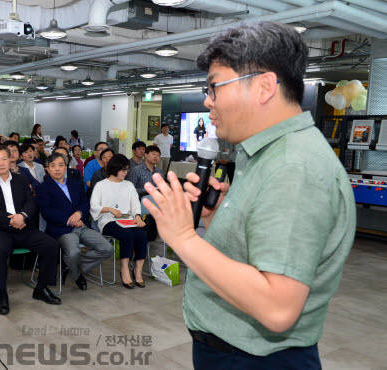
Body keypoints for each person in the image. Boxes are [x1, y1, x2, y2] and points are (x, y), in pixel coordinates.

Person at [142, 22, 356, 368]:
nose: (208, 101)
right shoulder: (265, 154)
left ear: (264, 87)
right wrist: (222, 219)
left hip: (256, 359)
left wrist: (183, 237)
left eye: (214, 87)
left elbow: (278, 308)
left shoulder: (293, 167)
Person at [0, 145, 61, 315]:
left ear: (10, 160)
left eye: (4, 159)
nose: (1, 163)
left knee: (51, 245)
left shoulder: (21, 180)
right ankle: (2, 293)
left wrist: (22, 216)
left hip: (23, 227)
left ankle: (41, 288)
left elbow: (31, 203)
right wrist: (12, 220)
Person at [37, 152, 113, 291]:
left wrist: (79, 213)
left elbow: (84, 203)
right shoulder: (43, 188)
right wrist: (69, 220)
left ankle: (71, 265)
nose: (57, 169)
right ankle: (77, 274)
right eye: (53, 166)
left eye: (61, 165)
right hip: (61, 229)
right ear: (47, 168)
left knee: (107, 248)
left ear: (66, 167)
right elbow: (47, 212)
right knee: (73, 253)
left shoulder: (75, 184)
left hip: (82, 225)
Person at [90, 154, 147, 289]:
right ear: (114, 169)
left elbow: (135, 204)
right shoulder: (101, 185)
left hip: (128, 220)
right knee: (127, 235)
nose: (125, 173)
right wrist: (109, 209)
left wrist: (137, 216)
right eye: (123, 170)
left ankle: (138, 270)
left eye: (127, 170)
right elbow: (94, 206)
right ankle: (125, 268)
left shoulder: (129, 185)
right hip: (108, 221)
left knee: (141, 234)